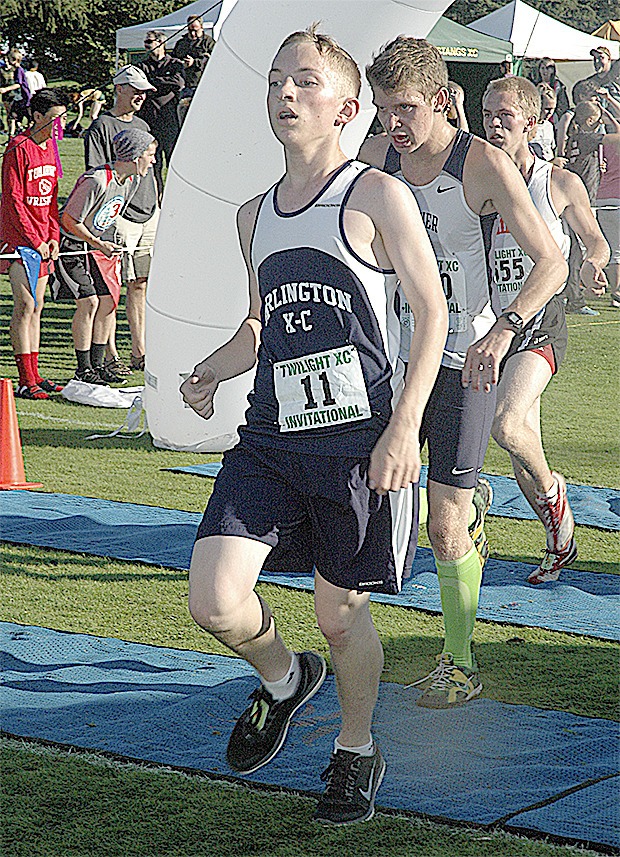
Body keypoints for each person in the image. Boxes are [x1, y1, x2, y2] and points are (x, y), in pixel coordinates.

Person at [180, 27, 448, 825]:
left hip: (357, 441)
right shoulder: (252, 215)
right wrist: (212, 368)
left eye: (303, 81)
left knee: (340, 614)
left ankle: (356, 749)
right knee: (215, 600)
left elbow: (432, 312)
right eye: (273, 82)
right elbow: (263, 323)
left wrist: (404, 428)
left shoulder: (374, 194)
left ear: (348, 108)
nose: (285, 94)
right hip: (270, 438)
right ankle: (284, 678)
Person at [360, 38, 567, 707]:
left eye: (407, 108)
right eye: (384, 108)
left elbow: (551, 263)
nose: (394, 122)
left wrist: (505, 328)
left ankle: (459, 661)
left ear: (442, 99)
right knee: (368, 503)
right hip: (394, 358)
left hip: (463, 360)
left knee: (442, 526)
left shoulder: (479, 165)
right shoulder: (375, 157)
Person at [482, 76, 610, 583]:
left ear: (530, 124)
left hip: (541, 320)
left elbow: (595, 241)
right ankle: (560, 541)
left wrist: (591, 266)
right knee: (520, 444)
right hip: (491, 323)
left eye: (504, 117)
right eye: (487, 113)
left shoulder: (558, 183)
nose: (493, 123)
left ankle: (556, 499)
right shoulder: (478, 178)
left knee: (508, 424)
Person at [54, 129, 157, 384]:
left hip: (95, 247)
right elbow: (69, 220)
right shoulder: (98, 180)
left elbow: (107, 217)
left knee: (108, 302)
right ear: (135, 156)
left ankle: (99, 365)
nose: (153, 161)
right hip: (73, 247)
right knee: (89, 302)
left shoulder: (131, 182)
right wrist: (98, 243)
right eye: (150, 155)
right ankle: (83, 368)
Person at [84, 65, 158, 373]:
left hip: (149, 212)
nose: (141, 95)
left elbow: (152, 168)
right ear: (119, 89)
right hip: (120, 215)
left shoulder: (142, 123)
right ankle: (110, 353)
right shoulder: (102, 125)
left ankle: (139, 350)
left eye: (144, 91)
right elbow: (97, 175)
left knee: (140, 284)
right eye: (136, 90)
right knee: (112, 288)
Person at [0, 88, 67, 399]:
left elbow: (52, 198)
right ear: (37, 116)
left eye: (62, 119)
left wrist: (52, 236)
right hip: (18, 239)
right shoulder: (18, 147)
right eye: (54, 119)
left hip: (43, 239)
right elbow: (13, 199)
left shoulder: (51, 149)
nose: (58, 125)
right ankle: (26, 379)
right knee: (25, 305)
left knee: (37, 308)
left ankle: (37, 375)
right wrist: (34, 239)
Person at [138, 31, 185, 200]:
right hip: (149, 122)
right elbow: (142, 85)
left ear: (161, 42)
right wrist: (162, 82)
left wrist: (154, 82)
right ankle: (156, 197)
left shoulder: (174, 64)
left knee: (173, 163)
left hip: (169, 121)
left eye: (149, 41)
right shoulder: (143, 66)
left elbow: (178, 83)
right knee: (153, 164)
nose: (147, 45)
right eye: (145, 42)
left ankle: (175, 198)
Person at [172, 14, 215, 123]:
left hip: (203, 86)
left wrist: (194, 62)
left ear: (202, 27)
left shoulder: (209, 43)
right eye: (190, 30)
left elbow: (214, 61)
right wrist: (182, 63)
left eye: (195, 30)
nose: (192, 33)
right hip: (185, 86)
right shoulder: (181, 43)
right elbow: (173, 60)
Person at [4, 49, 31, 137]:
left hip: (23, 97)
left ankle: (15, 134)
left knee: (15, 116)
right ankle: (16, 132)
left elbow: (18, 84)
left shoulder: (19, 70)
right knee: (15, 117)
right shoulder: (15, 70)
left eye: (10, 59)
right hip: (19, 97)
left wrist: (6, 89)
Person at [530, 84, 557, 161]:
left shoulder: (549, 126)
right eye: (547, 109)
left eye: (553, 109)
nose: (550, 113)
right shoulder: (528, 126)